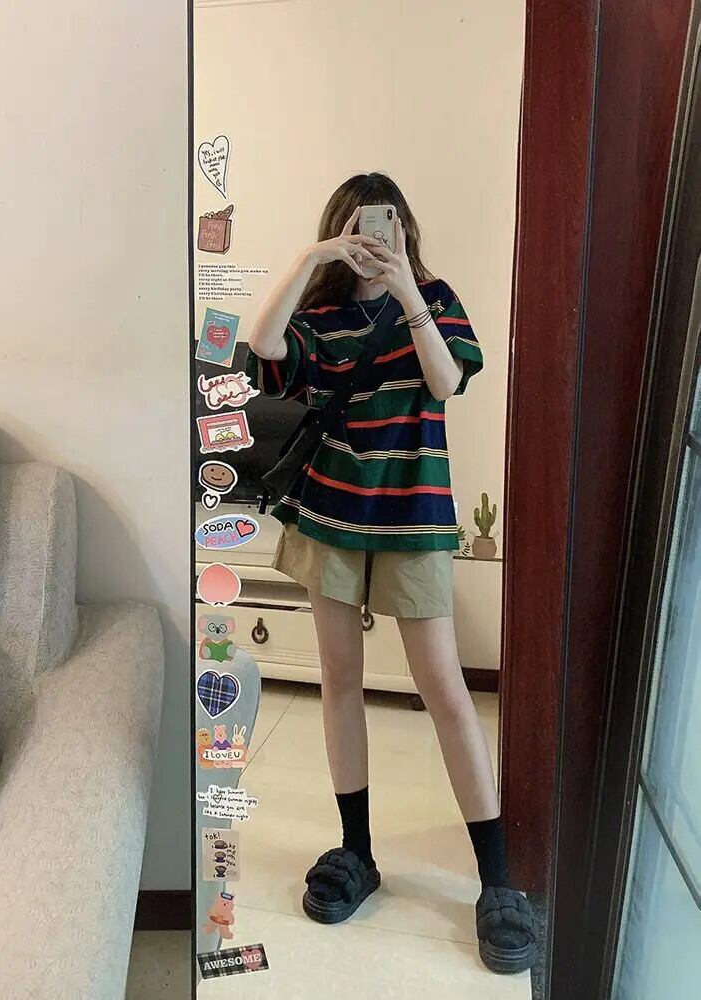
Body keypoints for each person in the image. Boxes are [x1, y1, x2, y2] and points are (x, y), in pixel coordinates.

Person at [245, 172, 535, 974]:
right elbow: (264, 347)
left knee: (444, 689)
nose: (372, 239)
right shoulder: (319, 316)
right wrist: (310, 260)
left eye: (385, 226)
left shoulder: (433, 300)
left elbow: (446, 381)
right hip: (331, 515)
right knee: (340, 680)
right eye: (356, 227)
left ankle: (498, 881)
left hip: (412, 515)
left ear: (405, 231)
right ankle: (358, 851)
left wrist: (407, 287)